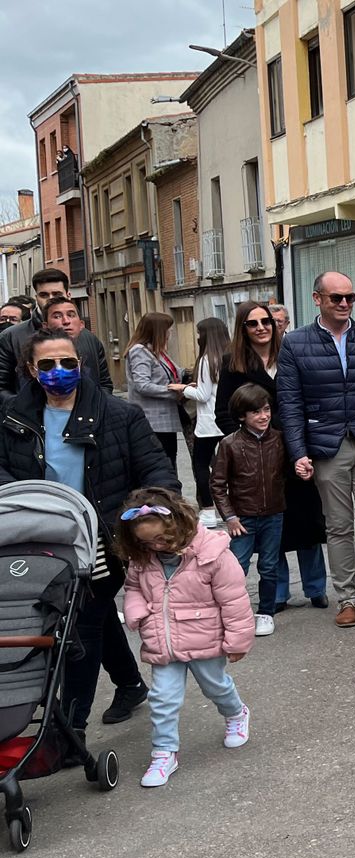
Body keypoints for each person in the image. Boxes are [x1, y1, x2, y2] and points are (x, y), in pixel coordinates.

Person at [0, 327, 179, 731]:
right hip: (38, 536)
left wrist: (154, 511)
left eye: (67, 362)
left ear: (80, 365)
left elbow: (156, 469)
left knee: (81, 623)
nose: (58, 371)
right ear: (30, 369)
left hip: (102, 537)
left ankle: (70, 728)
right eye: (47, 364)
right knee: (93, 618)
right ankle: (131, 684)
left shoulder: (120, 414)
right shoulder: (11, 416)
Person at [277, 271, 355, 628]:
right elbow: (289, 401)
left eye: (350, 297)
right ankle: (347, 596)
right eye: (337, 298)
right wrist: (298, 451)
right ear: (318, 299)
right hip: (325, 445)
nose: (345, 304)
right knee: (338, 525)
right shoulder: (296, 343)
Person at [115, 489, 254, 788]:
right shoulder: (143, 559)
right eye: (145, 542)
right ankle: (164, 751)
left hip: (204, 638)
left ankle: (236, 713)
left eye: (161, 539)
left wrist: (238, 640)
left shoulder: (212, 554)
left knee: (215, 686)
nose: (155, 546)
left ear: (178, 524)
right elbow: (134, 587)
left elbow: (234, 600)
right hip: (162, 641)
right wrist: (136, 608)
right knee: (162, 698)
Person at [216, 301, 328, 612]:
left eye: (266, 321)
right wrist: (244, 446)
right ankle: (277, 593)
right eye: (253, 323)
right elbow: (223, 414)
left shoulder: (290, 353)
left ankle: (316, 588)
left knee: (307, 525)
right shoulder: (233, 363)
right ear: (243, 329)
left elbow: (310, 399)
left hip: (296, 451)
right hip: (257, 460)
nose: (262, 327)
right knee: (271, 529)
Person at [210, 383, 286, 636]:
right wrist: (230, 517)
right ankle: (233, 612)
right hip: (242, 518)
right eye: (256, 412)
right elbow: (217, 484)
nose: (264, 416)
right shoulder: (229, 444)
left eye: (266, 410)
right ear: (242, 416)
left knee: (269, 565)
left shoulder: (278, 439)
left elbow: (287, 474)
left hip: (273, 514)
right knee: (236, 567)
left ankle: (265, 612)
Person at [0, 268, 113, 403]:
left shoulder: (89, 339)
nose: (50, 299)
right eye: (44, 295)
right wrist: (22, 410)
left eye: (57, 294)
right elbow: (2, 387)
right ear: (36, 298)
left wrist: (98, 408)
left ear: (68, 295)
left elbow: (104, 383)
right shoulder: (11, 337)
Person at [124, 311, 187, 471]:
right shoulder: (139, 351)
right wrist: (173, 391)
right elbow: (142, 385)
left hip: (166, 421)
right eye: (168, 329)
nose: (170, 333)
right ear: (158, 330)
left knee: (170, 463)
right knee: (162, 466)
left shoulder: (158, 351)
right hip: (153, 421)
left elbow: (176, 373)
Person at [186, 317, 229, 529]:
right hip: (227, 420)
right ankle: (230, 508)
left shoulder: (206, 360)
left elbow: (202, 395)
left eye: (199, 333)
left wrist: (182, 389)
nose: (197, 337)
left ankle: (209, 511)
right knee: (231, 467)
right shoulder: (230, 358)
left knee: (201, 466)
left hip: (207, 423)